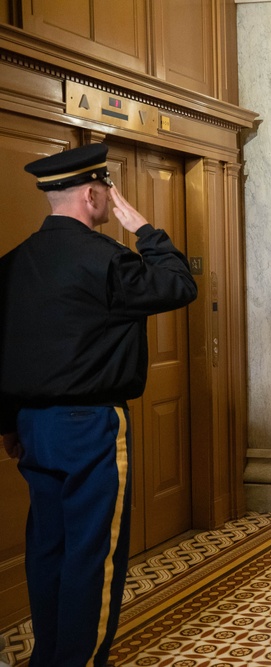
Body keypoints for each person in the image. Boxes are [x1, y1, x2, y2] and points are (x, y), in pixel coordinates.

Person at [0, 143, 197, 667]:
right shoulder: (110, 259)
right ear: (92, 194)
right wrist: (147, 231)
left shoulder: (12, 264)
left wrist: (7, 425)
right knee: (93, 554)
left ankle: (49, 657)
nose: (111, 204)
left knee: (48, 548)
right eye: (108, 195)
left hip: (30, 426)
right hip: (90, 425)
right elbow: (180, 285)